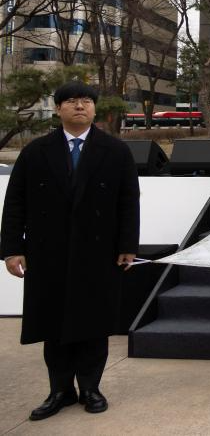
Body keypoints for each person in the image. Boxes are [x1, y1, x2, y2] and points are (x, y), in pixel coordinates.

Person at [1, 82, 140, 420]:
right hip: (48, 252)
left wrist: (127, 245)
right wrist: (11, 249)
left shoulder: (115, 150)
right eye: (72, 101)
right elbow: (15, 202)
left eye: (87, 101)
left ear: (94, 108)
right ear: (58, 108)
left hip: (98, 252)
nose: (80, 106)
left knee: (93, 322)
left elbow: (128, 201)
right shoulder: (36, 151)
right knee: (54, 324)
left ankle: (91, 388)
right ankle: (60, 391)